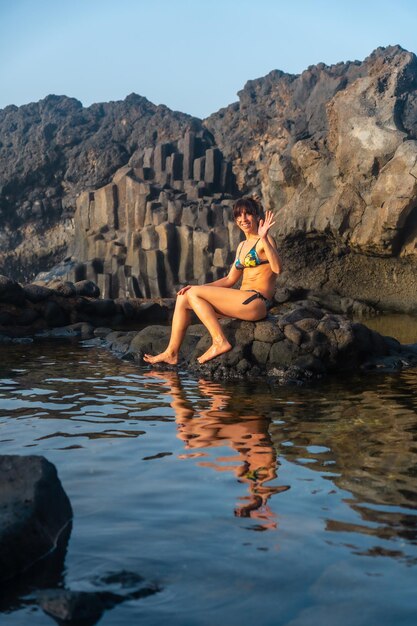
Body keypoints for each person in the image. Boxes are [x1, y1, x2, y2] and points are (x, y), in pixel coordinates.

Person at [144, 195, 282, 365]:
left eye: (248, 214)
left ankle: (219, 341)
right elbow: (230, 279)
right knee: (184, 297)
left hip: (257, 302)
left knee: (192, 293)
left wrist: (264, 237)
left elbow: (277, 269)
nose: (243, 219)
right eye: (239, 215)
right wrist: (197, 287)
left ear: (256, 216)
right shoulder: (241, 247)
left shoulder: (265, 241)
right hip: (242, 302)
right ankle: (171, 352)